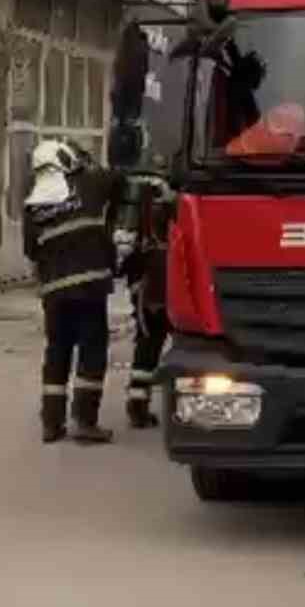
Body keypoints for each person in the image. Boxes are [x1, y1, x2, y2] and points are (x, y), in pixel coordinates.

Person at [23, 140, 122, 444]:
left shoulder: (33, 204)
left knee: (57, 351)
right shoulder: (88, 182)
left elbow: (30, 250)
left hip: (54, 291)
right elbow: (118, 181)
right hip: (89, 285)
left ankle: (51, 423)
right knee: (92, 350)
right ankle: (85, 421)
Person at [122, 176, 173, 428]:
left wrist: (134, 287)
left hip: (149, 295)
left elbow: (128, 260)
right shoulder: (175, 213)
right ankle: (145, 405)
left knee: (147, 350)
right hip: (169, 293)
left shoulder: (140, 225)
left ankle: (137, 405)